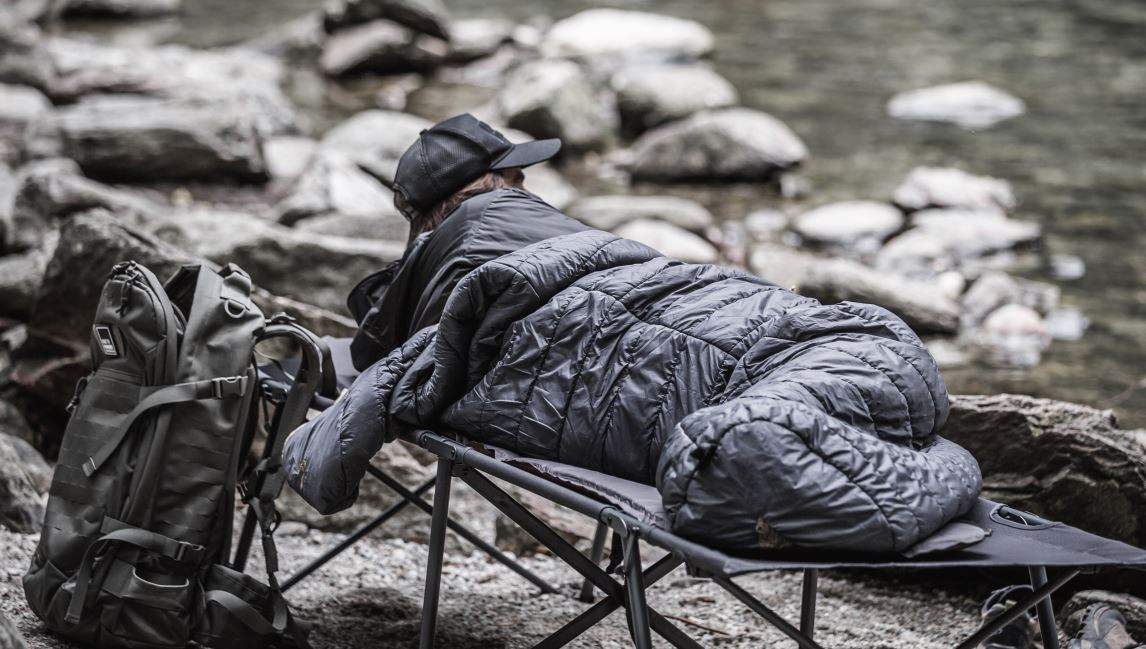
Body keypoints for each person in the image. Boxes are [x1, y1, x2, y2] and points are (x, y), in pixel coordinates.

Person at [347, 113, 589, 371]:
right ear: (479, 190)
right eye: (517, 181)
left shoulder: (446, 268)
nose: (528, 195)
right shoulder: (472, 252)